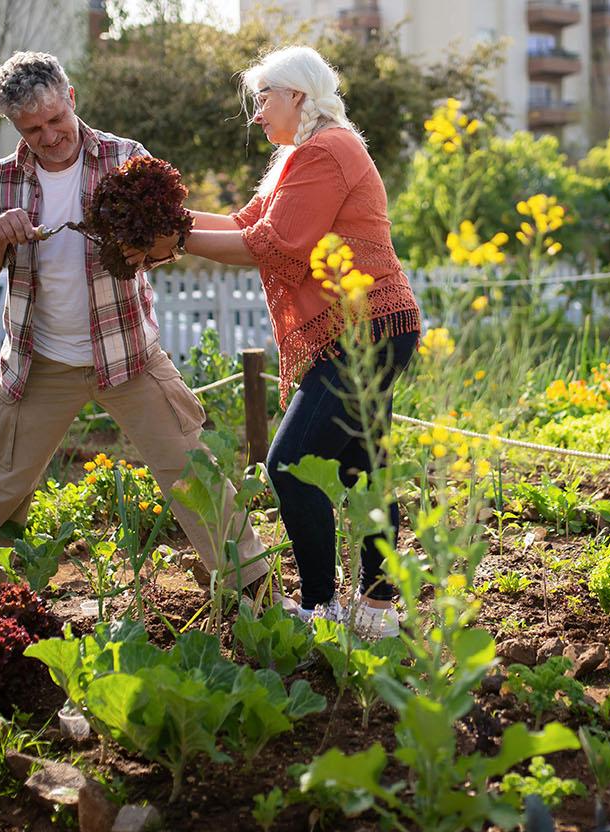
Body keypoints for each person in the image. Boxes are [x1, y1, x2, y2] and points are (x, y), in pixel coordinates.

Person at [0, 51, 270, 605]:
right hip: (40, 362)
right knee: (1, 485)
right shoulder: (0, 180)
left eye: (56, 119)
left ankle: (256, 594)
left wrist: (144, 243)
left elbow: (173, 241)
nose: (50, 136)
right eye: (33, 129)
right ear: (14, 127)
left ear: (70, 98)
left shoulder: (127, 159)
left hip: (128, 355)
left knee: (193, 471)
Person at [156, 46, 420, 639]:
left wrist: (173, 238)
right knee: (363, 467)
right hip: (369, 326)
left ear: (296, 95)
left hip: (365, 330)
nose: (256, 115)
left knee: (290, 462)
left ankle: (322, 607)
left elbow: (274, 244)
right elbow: (246, 224)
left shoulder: (328, 150)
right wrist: (168, 220)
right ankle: (377, 611)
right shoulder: (301, 156)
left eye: (262, 99)